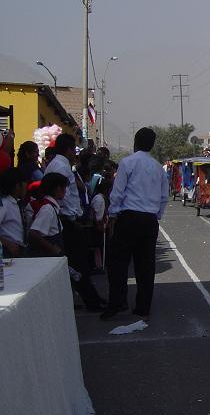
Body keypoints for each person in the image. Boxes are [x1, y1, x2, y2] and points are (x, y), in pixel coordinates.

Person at [102, 127, 169, 321]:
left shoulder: (127, 163)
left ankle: (117, 302)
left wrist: (113, 214)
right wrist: (156, 215)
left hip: (129, 217)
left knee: (118, 262)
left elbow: (118, 191)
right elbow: (164, 196)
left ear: (135, 142)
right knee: (146, 265)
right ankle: (143, 306)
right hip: (149, 220)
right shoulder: (157, 167)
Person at [45, 134, 105, 311]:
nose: (75, 154)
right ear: (68, 149)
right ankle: (92, 301)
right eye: (74, 150)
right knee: (79, 264)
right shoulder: (60, 166)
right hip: (66, 220)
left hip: (70, 218)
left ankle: (91, 298)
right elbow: (62, 195)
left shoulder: (61, 165)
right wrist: (72, 216)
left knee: (78, 264)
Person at [28, 173, 68, 257]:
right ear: (57, 188)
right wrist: (52, 248)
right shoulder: (47, 209)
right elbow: (33, 233)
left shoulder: (51, 207)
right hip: (48, 256)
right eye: (64, 187)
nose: (65, 191)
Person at [0, 168, 27, 257]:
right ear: (17, 186)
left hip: (20, 249)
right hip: (8, 250)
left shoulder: (18, 203)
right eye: (24, 184)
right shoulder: (4, 204)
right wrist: (7, 243)